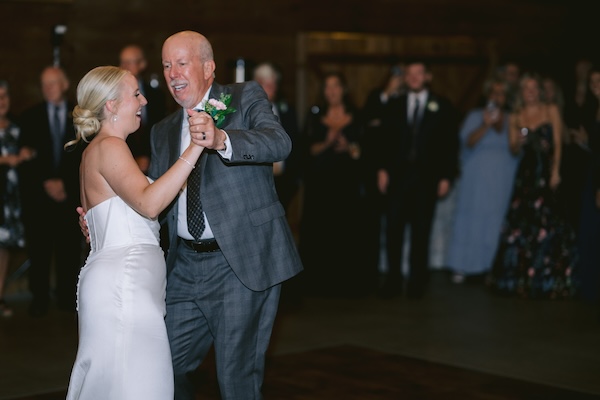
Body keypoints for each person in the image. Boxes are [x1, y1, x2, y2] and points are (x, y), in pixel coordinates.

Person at [151, 30, 303, 399]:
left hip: (239, 261)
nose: (173, 73)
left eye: (181, 63)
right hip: (183, 267)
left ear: (208, 67)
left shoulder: (244, 96)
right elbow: (152, 198)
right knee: (161, 368)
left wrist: (222, 140)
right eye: (167, 65)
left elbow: (279, 142)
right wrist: (105, 220)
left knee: (236, 378)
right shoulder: (162, 130)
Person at [65, 65, 205, 399]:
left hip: (120, 283)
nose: (143, 100)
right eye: (135, 93)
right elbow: (148, 203)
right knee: (140, 386)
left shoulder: (97, 151)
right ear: (112, 105)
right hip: (123, 287)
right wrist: (195, 147)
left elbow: (109, 215)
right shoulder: (110, 146)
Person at [490, 73, 579, 299]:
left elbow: (559, 144)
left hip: (547, 172)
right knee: (523, 224)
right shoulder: (516, 116)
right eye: (525, 88)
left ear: (539, 90)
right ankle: (521, 278)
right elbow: (513, 149)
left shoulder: (551, 111)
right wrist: (518, 143)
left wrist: (556, 171)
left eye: (533, 87)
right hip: (527, 175)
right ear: (520, 92)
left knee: (550, 223)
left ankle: (551, 279)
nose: (529, 91)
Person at [378, 60, 460, 299]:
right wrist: (382, 169)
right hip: (398, 177)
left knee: (421, 231)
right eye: (409, 73)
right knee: (393, 229)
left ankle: (416, 281)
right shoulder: (394, 104)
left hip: (427, 178)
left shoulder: (442, 106)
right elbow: (384, 139)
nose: (413, 77)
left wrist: (446, 176)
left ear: (428, 76)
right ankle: (393, 279)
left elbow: (450, 145)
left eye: (418, 73)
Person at [18, 66, 83, 317]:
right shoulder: (30, 116)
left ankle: (67, 297)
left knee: (68, 248)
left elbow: (81, 157)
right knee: (39, 248)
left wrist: (64, 185)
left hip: (69, 196)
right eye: (44, 84)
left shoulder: (79, 116)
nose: (48, 89)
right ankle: (40, 298)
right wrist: (47, 181)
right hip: (39, 196)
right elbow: (26, 158)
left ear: (65, 84)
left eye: (53, 83)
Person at [299, 71, 366, 296]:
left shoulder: (356, 115)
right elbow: (306, 150)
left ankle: (346, 283)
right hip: (320, 183)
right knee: (320, 230)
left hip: (346, 184)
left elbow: (363, 152)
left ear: (344, 89)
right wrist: (327, 143)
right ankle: (318, 283)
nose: (332, 91)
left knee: (346, 230)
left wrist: (349, 147)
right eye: (327, 87)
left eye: (336, 86)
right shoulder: (314, 115)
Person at [446, 78, 520, 283]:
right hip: (476, 177)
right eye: (493, 93)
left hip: (502, 177)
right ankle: (463, 265)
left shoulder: (514, 118)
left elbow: (516, 148)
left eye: (501, 94)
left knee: (496, 220)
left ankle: (490, 268)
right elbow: (467, 142)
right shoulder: (475, 115)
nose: (497, 97)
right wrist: (486, 125)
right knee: (471, 217)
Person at [252, 62, 301, 212]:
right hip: (257, 182)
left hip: (283, 182)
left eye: (274, 85)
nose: (272, 90)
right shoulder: (246, 113)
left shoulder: (286, 110)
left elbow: (296, 143)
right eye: (267, 85)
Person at [0, 80, 28, 317]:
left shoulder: (17, 126)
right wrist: (7, 160)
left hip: (8, 197)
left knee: (4, 248)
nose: (2, 101)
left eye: (5, 96)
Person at [119, 44, 167, 173]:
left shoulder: (157, 95)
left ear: (142, 64)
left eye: (130, 62)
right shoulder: (115, 95)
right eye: (123, 62)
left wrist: (149, 157)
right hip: (124, 161)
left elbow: (160, 129)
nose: (125, 67)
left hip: (153, 162)